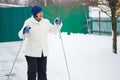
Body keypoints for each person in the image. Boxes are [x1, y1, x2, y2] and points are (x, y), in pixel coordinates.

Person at [18, 5, 62, 80]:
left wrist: (57, 24)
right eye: (39, 12)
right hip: (31, 53)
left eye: (42, 12)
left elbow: (54, 30)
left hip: (43, 52)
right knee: (32, 73)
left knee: (42, 73)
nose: (41, 13)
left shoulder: (46, 22)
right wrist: (25, 30)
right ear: (35, 14)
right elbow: (21, 35)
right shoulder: (29, 22)